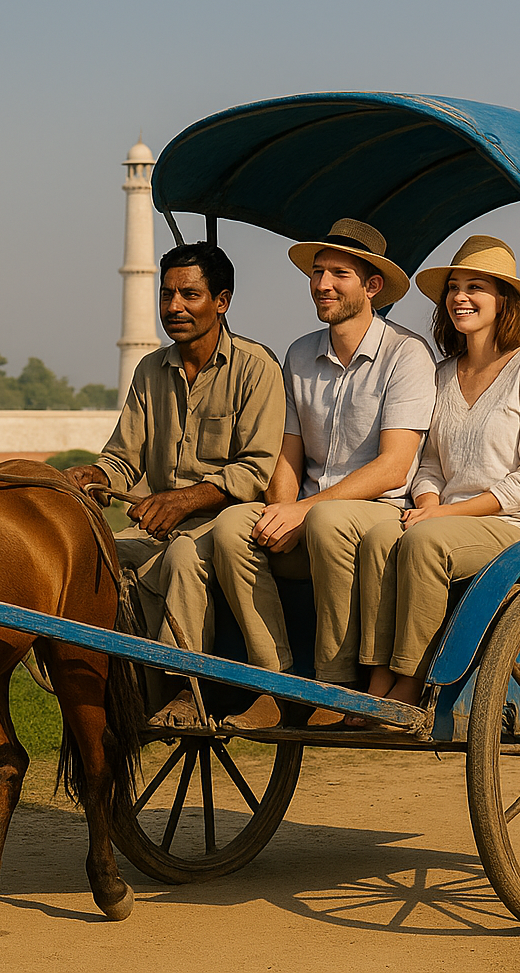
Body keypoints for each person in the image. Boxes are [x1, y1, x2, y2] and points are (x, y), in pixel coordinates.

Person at [209, 219, 436, 730]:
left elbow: (394, 466)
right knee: (231, 528)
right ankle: (274, 680)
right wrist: (278, 509)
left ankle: (337, 685)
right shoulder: (299, 353)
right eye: (317, 272)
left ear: (372, 287)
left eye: (339, 274)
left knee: (326, 522)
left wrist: (303, 511)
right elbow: (287, 453)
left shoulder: (407, 354)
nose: (322, 284)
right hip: (309, 510)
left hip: (378, 514)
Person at [65, 241, 285, 728]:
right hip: (159, 525)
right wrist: (95, 476)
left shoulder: (255, 368)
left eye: (190, 295)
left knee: (184, 557)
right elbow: (123, 457)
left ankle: (183, 687)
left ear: (221, 301)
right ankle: (96, 678)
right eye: (167, 296)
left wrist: (184, 501)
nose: (174, 308)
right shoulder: (150, 369)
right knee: (90, 557)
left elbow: (254, 470)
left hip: (228, 526)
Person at [353, 235, 520, 711]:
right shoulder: (442, 374)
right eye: (453, 287)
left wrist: (450, 515)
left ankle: (412, 684)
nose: (459, 298)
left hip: (514, 525)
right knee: (377, 538)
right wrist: (428, 502)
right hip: (445, 515)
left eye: (475, 287)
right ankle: (375, 680)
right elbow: (427, 465)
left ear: (504, 301)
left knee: (426, 543)